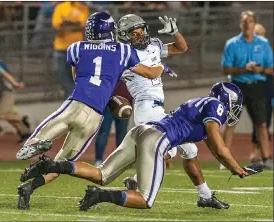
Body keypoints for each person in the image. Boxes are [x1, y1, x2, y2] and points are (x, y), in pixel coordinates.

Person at [16, 11, 175, 210]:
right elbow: (151, 72)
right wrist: (162, 67)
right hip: (94, 116)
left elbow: (77, 77)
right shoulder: (123, 51)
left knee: (43, 133)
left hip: (76, 105)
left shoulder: (76, 48)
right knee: (62, 164)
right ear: (112, 31)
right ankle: (30, 185)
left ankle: (36, 144)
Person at [20, 82, 247, 210]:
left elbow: (211, 149)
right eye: (234, 104)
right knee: (145, 199)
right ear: (227, 100)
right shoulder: (216, 106)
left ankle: (54, 165)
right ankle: (100, 196)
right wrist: (237, 168)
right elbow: (220, 147)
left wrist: (227, 167)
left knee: (102, 174)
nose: (233, 109)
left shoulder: (199, 103)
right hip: (156, 138)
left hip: (141, 131)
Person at [117, 14, 225, 208]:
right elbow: (151, 72)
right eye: (134, 33)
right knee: (170, 150)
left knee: (188, 149)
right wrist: (161, 66)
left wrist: (175, 33)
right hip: (145, 107)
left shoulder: (153, 45)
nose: (140, 35)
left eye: (141, 30)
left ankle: (205, 196)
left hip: (158, 108)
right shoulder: (125, 55)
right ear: (125, 36)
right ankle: (135, 179)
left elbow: (182, 48)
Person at [221, 11, 273, 170]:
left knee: (262, 124)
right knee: (231, 122)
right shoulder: (232, 44)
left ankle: (266, 159)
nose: (246, 24)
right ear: (240, 24)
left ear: (254, 24)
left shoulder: (263, 43)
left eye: (250, 21)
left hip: (257, 86)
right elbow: (226, 68)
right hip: (238, 86)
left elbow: (271, 69)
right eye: (244, 22)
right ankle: (224, 159)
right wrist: (244, 68)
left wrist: (260, 69)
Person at [52, 2, 89, 99]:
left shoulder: (83, 8)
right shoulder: (60, 7)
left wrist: (67, 23)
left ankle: (73, 99)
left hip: (77, 49)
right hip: (61, 48)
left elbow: (83, 27)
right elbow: (57, 27)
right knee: (62, 76)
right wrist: (74, 24)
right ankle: (72, 97)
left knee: (76, 77)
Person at [249, 23, 273, 163]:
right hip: (256, 89)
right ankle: (256, 152)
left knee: (265, 122)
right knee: (259, 122)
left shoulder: (266, 50)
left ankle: (263, 153)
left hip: (267, 89)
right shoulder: (250, 51)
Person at [94, 80, 133, 166]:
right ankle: (100, 159)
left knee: (117, 134)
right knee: (105, 132)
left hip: (122, 102)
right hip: (112, 102)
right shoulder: (129, 67)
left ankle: (117, 160)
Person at [0, 49, 31, 141]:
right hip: (1, 93)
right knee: (7, 115)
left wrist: (15, 83)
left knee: (3, 115)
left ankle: (22, 119)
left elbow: (6, 74)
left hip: (7, 92)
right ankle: (25, 133)